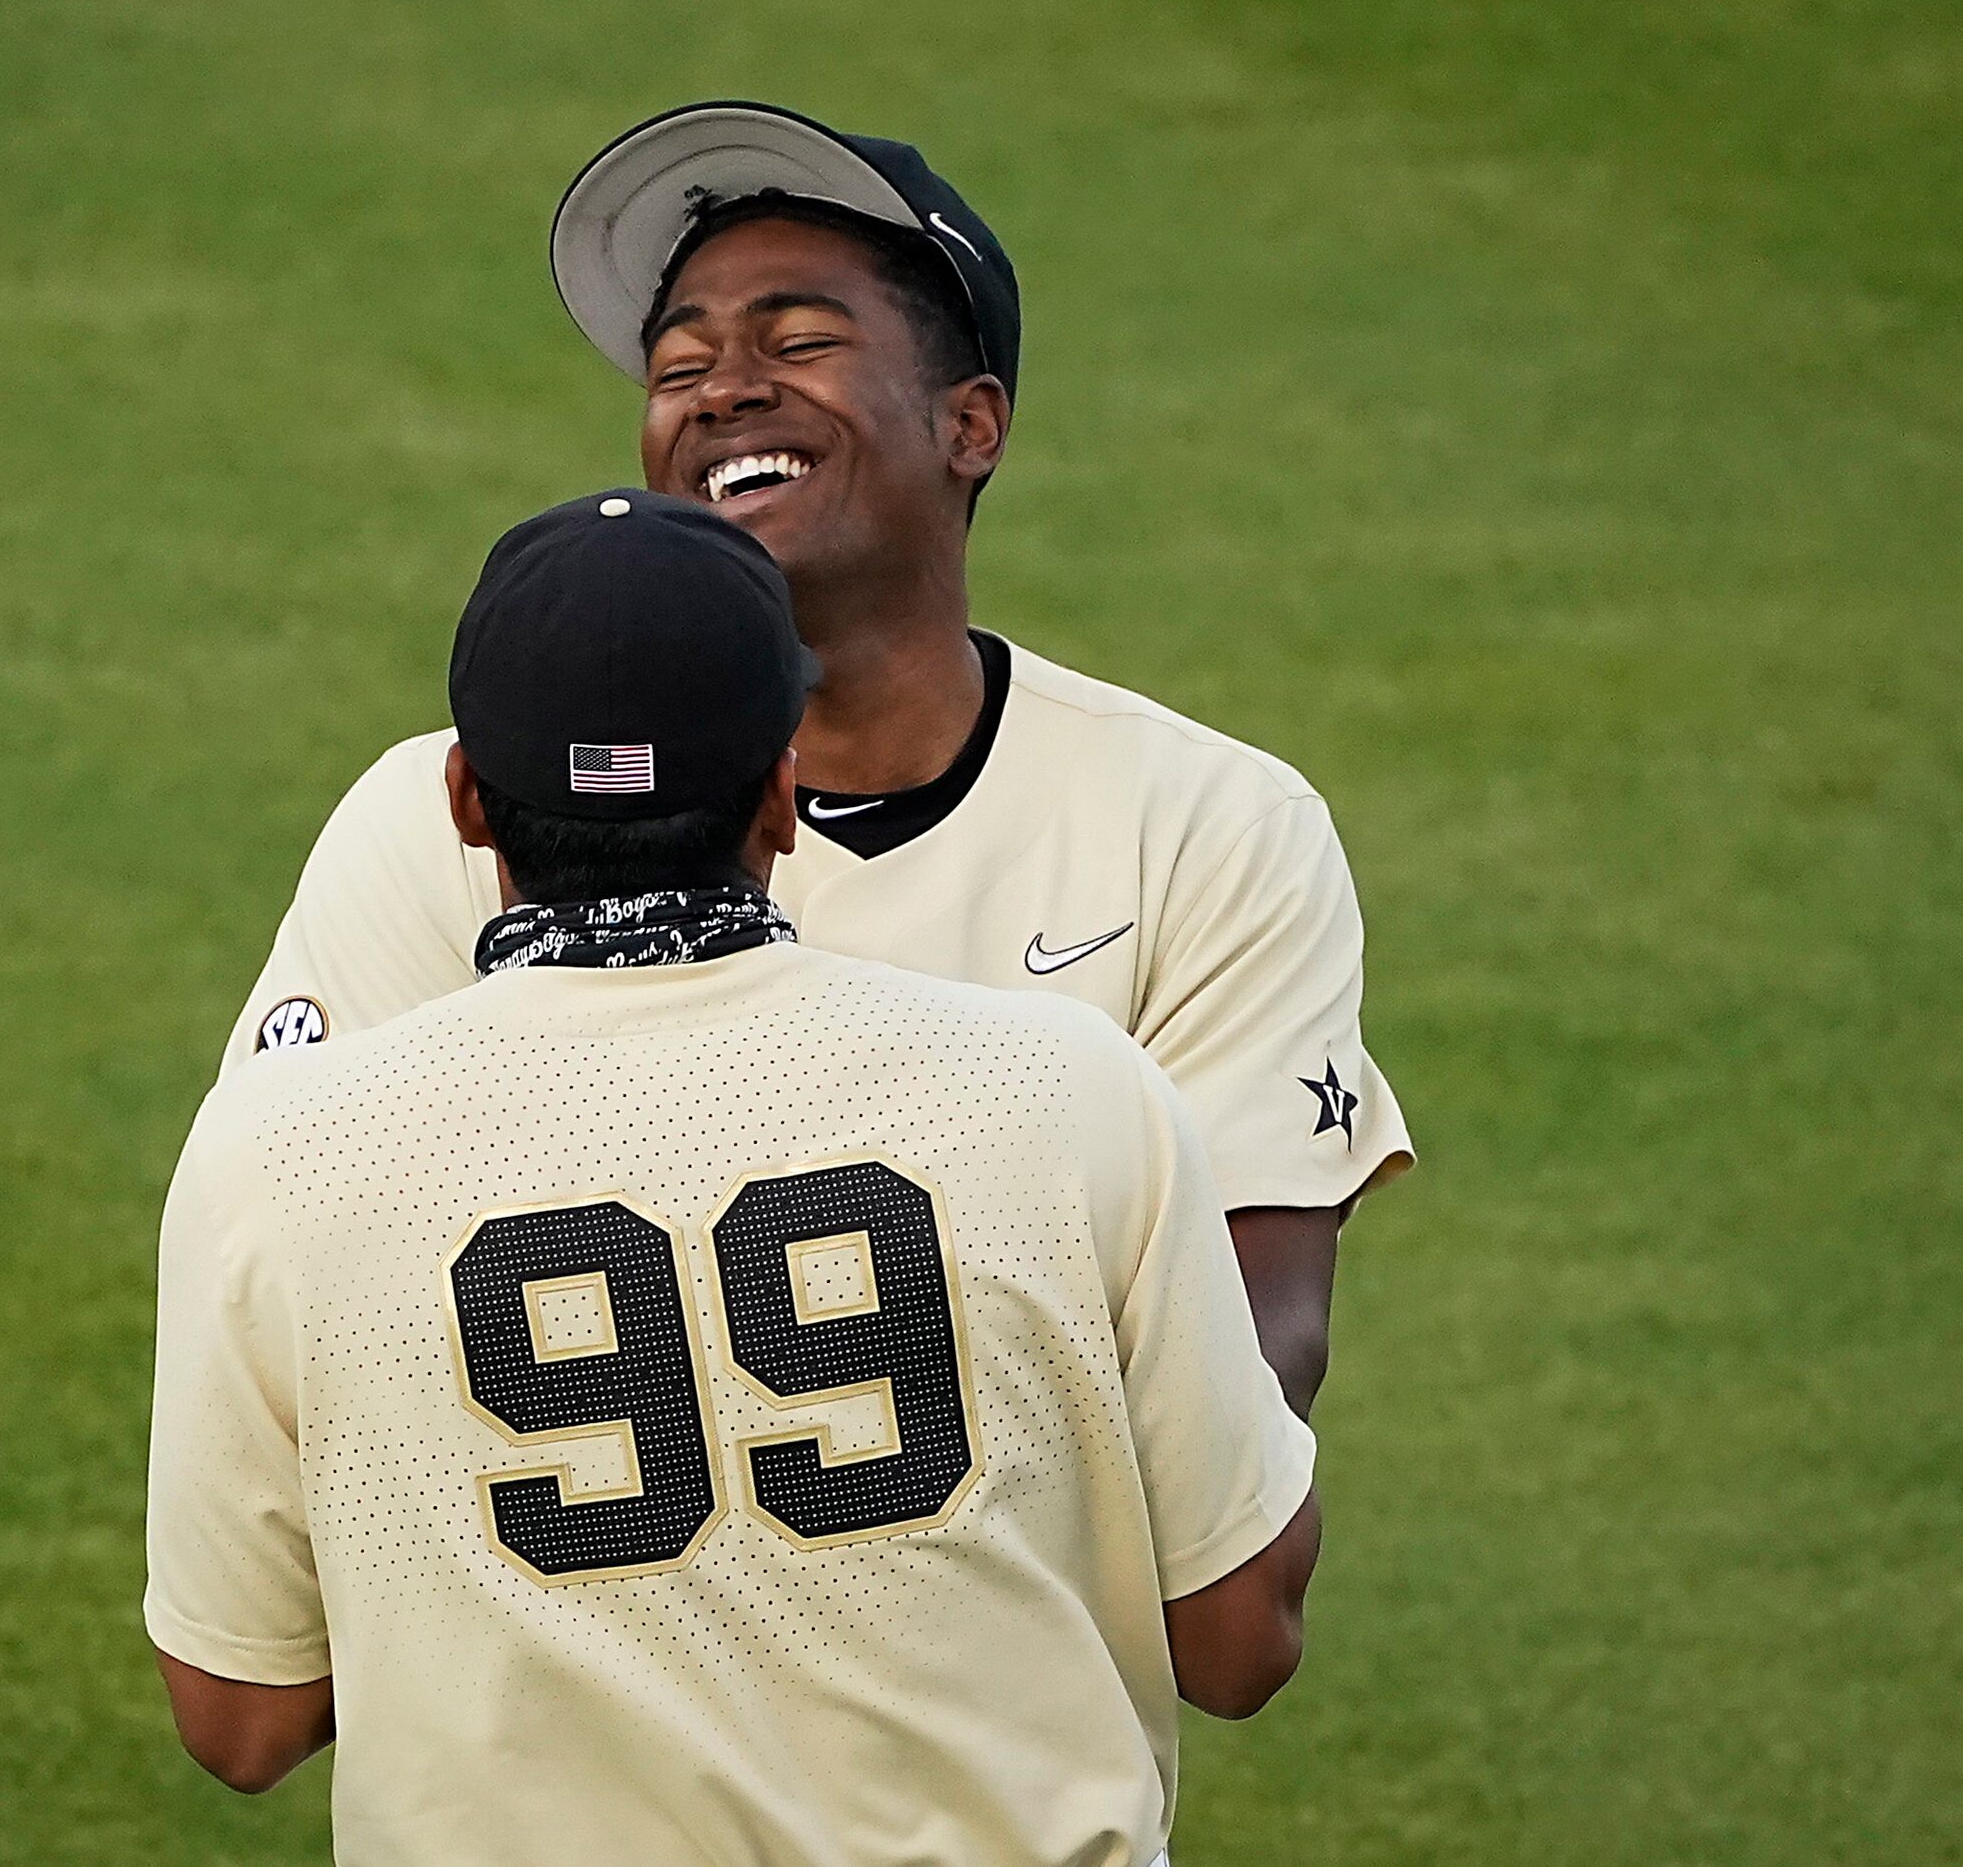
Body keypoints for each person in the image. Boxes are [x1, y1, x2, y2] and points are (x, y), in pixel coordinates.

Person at [147, 490, 1321, 1866]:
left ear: (464, 798)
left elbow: (240, 1717)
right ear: (781, 787)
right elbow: (1239, 1642)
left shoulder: (279, 1149)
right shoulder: (1070, 1086)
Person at [220, 102, 1412, 1421]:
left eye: (799, 342)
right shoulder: (452, 807)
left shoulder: (1202, 825)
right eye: (678, 369)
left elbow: (1252, 1356)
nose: (722, 390)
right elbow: (287, 1282)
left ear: (971, 425)